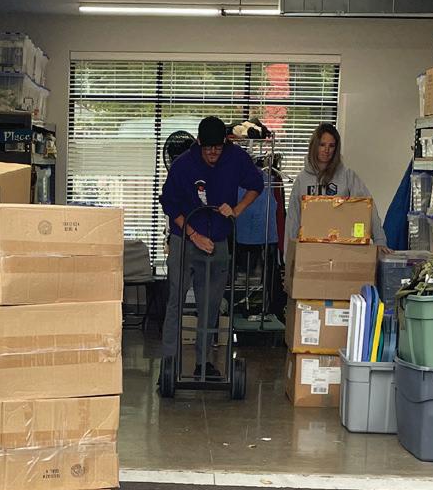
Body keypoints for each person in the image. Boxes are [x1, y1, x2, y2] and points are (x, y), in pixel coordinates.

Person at [159, 114, 262, 380]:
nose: (213, 153)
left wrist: (237, 210)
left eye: (218, 148)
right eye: (208, 148)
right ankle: (169, 364)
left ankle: (203, 363)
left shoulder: (236, 158)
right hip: (185, 239)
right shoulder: (184, 165)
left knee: (210, 305)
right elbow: (169, 203)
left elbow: (256, 184)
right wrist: (193, 235)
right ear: (198, 143)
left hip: (217, 242)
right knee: (175, 301)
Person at [284, 122, 384, 275]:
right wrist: (289, 256)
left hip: (342, 250)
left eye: (331, 146)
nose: (326, 150)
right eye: (322, 145)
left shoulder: (347, 176)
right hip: (311, 251)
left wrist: (380, 241)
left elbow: (368, 208)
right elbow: (293, 218)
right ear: (314, 146)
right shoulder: (302, 180)